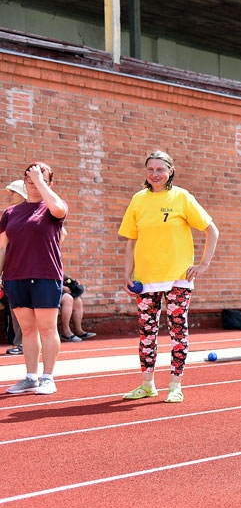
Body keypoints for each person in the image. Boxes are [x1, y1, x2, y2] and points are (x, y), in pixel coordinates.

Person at [119, 150, 219, 403]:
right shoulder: (138, 200)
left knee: (177, 332)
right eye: (150, 169)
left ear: (170, 171)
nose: (155, 174)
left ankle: (175, 385)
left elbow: (211, 230)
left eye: (160, 169)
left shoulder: (182, 197)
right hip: (146, 279)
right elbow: (131, 241)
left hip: (178, 278)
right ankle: (147, 384)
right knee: (147, 334)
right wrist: (127, 273)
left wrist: (204, 264)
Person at [2, 162, 68, 395]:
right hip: (15, 276)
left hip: (46, 275)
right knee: (28, 330)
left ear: (49, 183)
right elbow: (2, 247)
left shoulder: (52, 207)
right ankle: (30, 377)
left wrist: (40, 181)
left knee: (48, 329)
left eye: (39, 179)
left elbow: (59, 209)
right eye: (29, 179)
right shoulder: (10, 213)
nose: (33, 184)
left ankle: (48, 377)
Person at [3, 180, 26, 355]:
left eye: (13, 192)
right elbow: (2, 246)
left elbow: (61, 234)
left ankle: (26, 344)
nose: (9, 195)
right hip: (13, 272)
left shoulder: (38, 211)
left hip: (33, 270)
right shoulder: (9, 214)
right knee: (16, 311)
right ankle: (21, 343)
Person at [59, 275, 96, 342]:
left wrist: (70, 279)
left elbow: (60, 272)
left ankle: (78, 330)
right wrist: (62, 287)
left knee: (77, 301)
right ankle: (65, 332)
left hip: (57, 286)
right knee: (68, 299)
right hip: (48, 288)